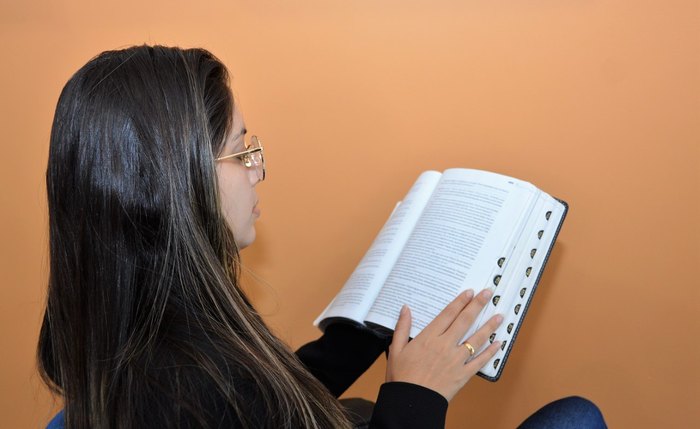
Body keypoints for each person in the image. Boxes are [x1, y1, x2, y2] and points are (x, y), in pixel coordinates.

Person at [38, 45, 606, 428]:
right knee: (577, 418)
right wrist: (417, 396)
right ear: (175, 182)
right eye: (240, 150)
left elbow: (262, 405)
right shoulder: (181, 383)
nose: (258, 167)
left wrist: (356, 335)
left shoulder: (141, 326)